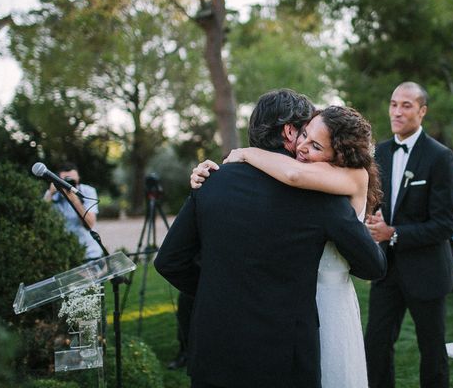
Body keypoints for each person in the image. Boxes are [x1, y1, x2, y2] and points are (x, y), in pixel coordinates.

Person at [155, 89, 386, 388]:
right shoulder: (319, 195)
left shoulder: (211, 180)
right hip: (282, 357)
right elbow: (372, 266)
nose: (305, 145)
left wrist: (219, 292)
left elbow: (169, 261)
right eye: (304, 133)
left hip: (214, 349)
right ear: (290, 131)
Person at [363, 82, 453, 388]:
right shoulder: (380, 153)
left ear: (422, 111)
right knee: (375, 345)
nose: (397, 111)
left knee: (431, 350)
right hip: (387, 270)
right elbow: (375, 201)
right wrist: (371, 221)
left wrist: (393, 232)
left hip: (427, 269)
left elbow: (445, 225)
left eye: (406, 105)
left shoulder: (440, 157)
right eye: (393, 104)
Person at [42, 161, 103, 261]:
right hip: (63, 255)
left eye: (72, 181)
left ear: (78, 178)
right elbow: (40, 218)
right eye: (65, 181)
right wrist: (50, 194)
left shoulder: (87, 191)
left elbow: (90, 224)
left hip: (89, 253)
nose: (68, 184)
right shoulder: (53, 195)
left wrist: (74, 199)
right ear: (58, 180)